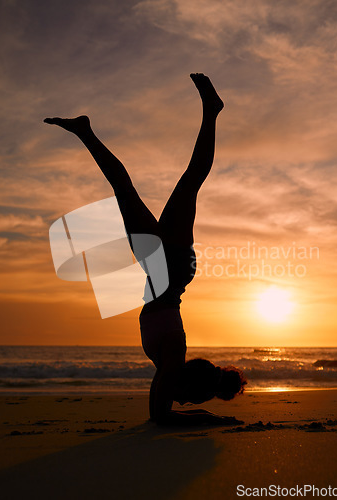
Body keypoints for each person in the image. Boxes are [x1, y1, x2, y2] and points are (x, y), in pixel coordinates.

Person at [44, 73, 246, 425]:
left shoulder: (165, 362)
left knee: (124, 189)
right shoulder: (172, 355)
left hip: (159, 268)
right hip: (172, 267)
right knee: (191, 179)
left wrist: (206, 411)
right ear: (188, 386)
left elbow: (161, 409)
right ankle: (211, 111)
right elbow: (160, 418)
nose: (181, 404)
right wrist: (211, 418)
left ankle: (85, 132)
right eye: (187, 401)